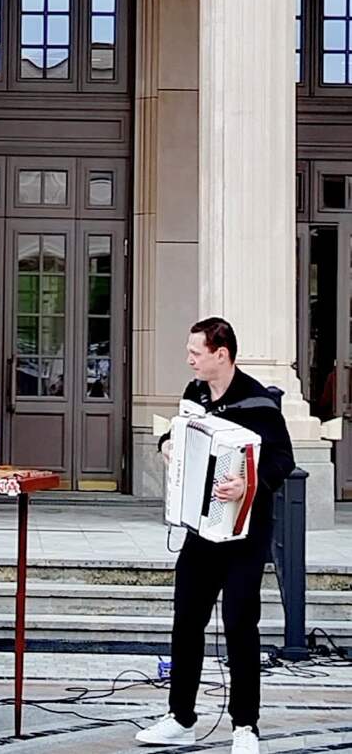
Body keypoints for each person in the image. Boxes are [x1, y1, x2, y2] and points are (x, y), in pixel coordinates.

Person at [135, 317, 295, 754]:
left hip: (245, 530)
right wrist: (167, 444)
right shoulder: (195, 394)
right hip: (202, 528)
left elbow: (283, 459)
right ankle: (180, 718)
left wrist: (248, 484)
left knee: (240, 622)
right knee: (187, 619)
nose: (189, 359)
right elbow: (178, 431)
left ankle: (245, 726)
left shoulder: (259, 403)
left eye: (196, 352)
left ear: (220, 354)